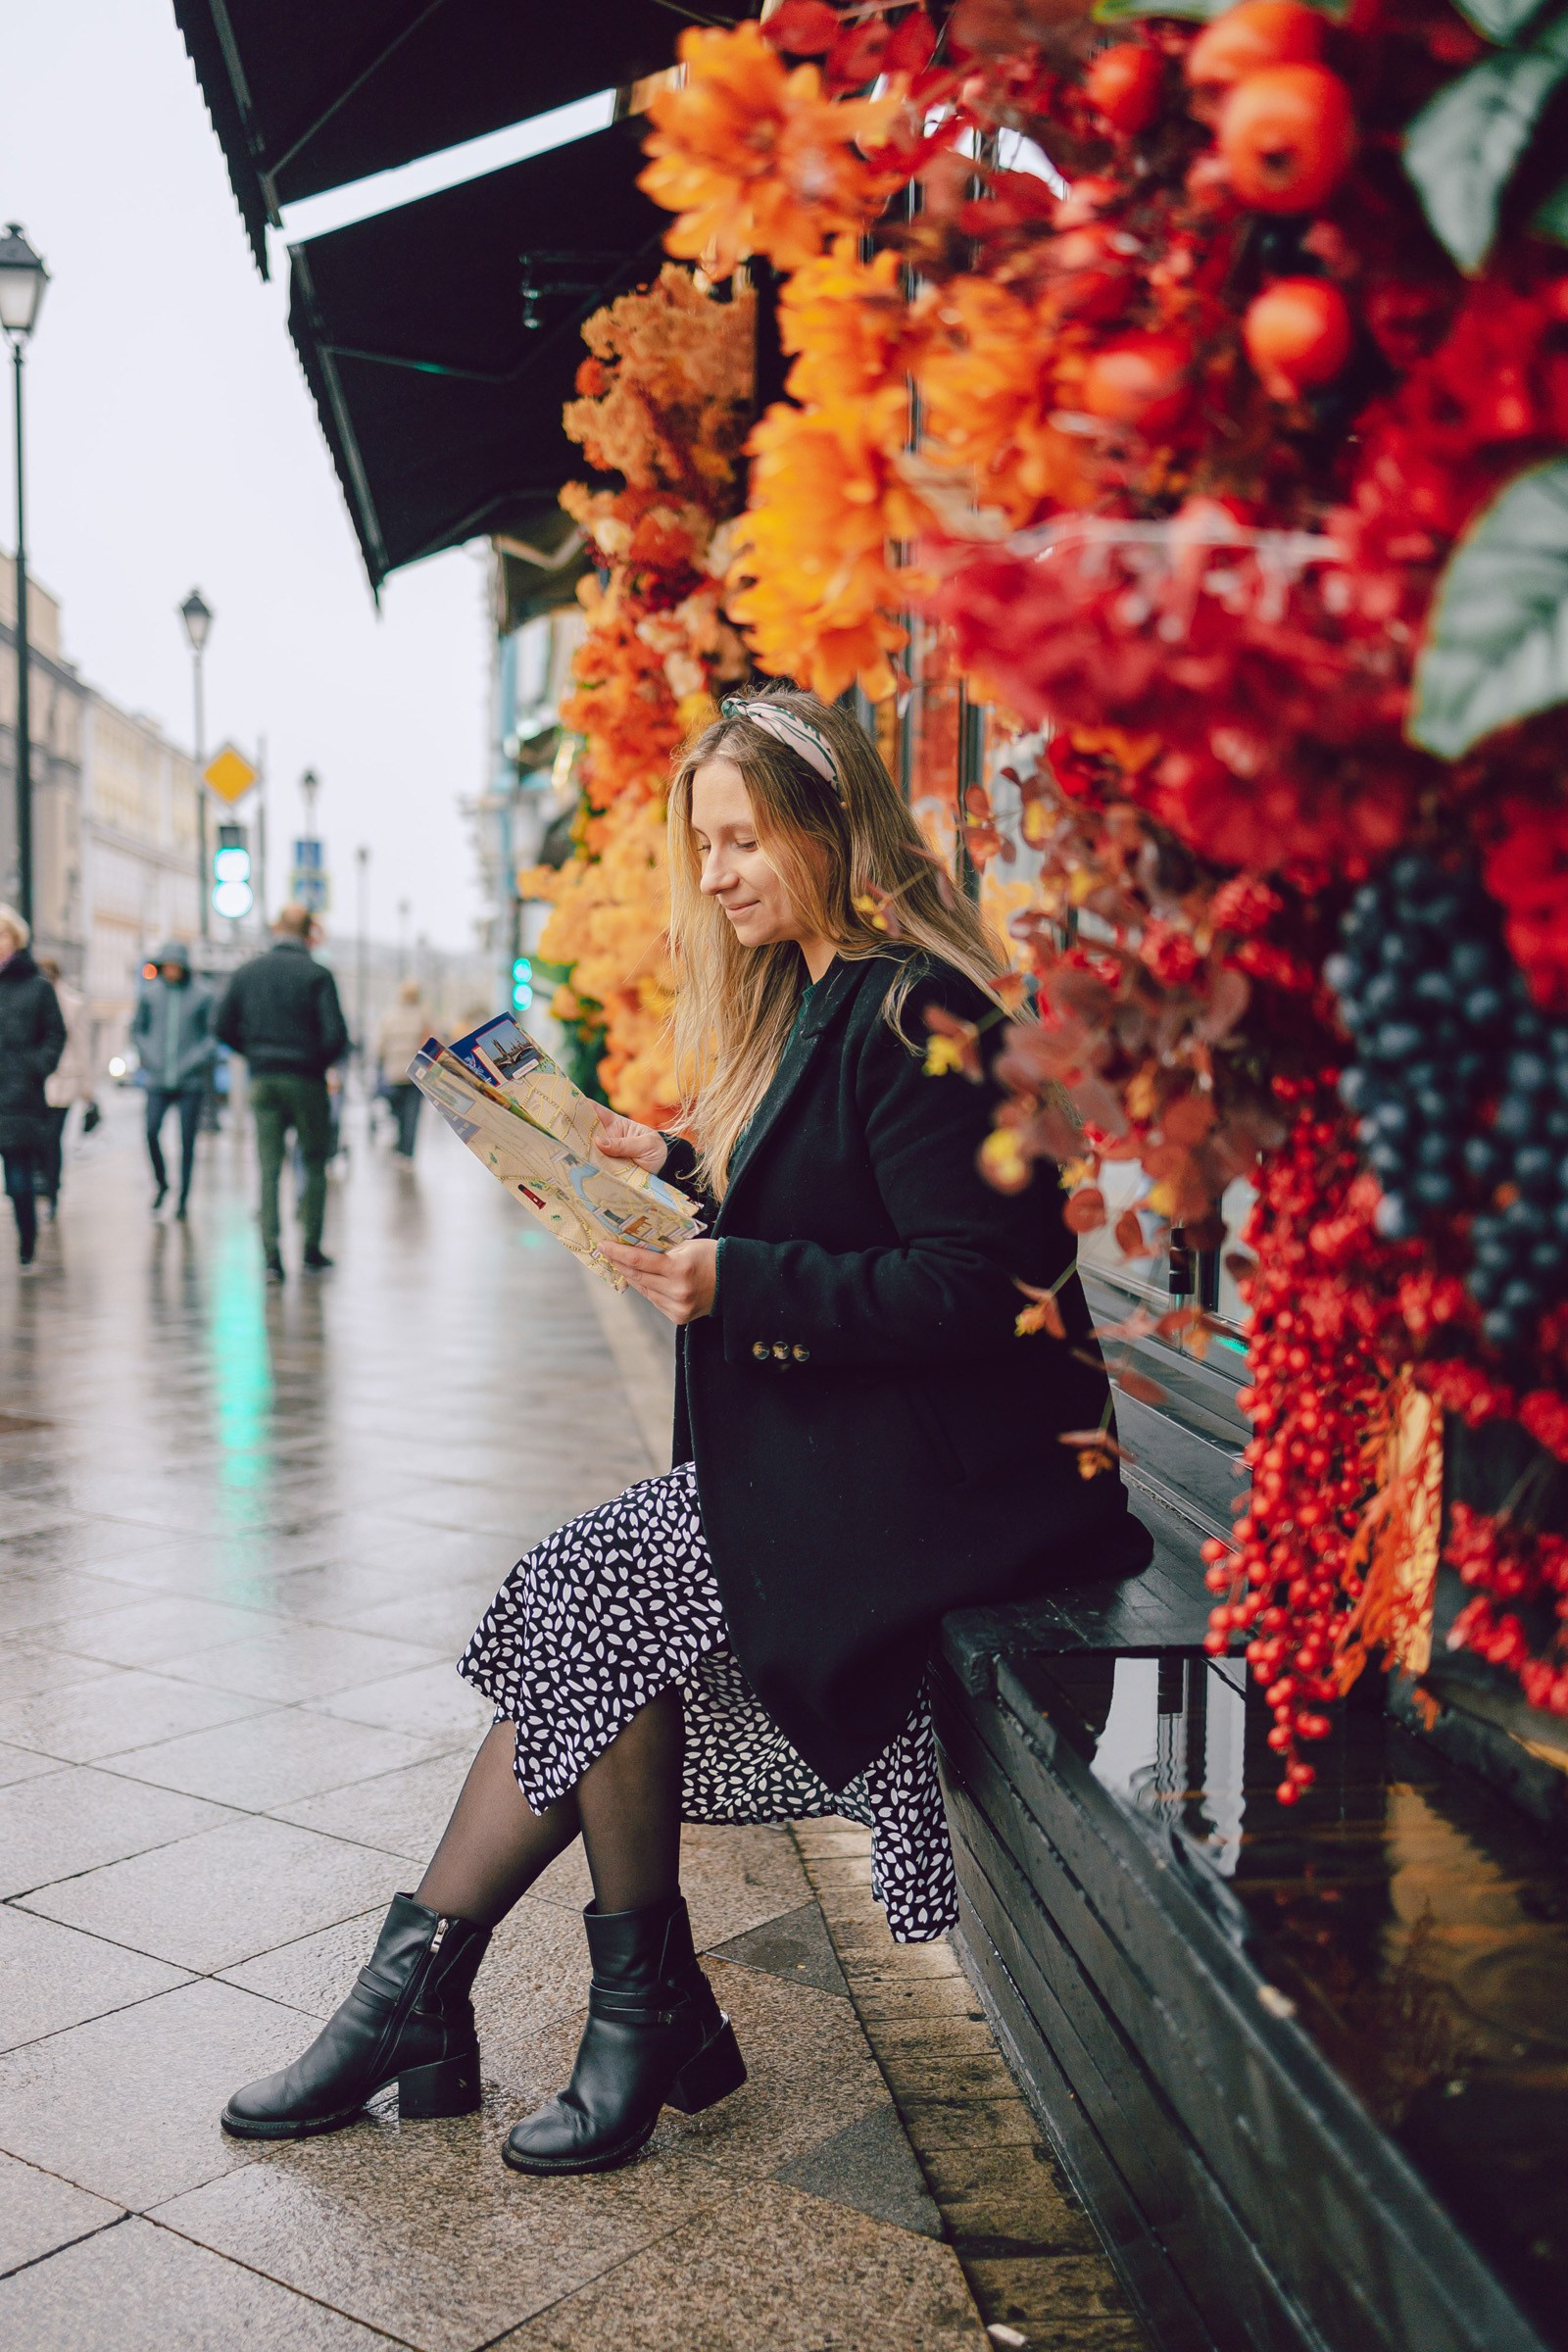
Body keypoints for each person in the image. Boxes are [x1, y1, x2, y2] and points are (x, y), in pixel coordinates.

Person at [220, 688, 1150, 2173]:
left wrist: (735, 1276)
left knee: (592, 1589)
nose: (714, 874)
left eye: (742, 840)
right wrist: (657, 1173)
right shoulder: (823, 998)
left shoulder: (927, 1010)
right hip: (871, 1453)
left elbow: (976, 1290)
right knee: (598, 1599)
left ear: (833, 823)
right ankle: (595, 2003)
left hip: (980, 1482)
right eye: (701, 845)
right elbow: (843, 1219)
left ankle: (465, 2002)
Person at [216, 905, 348, 1283]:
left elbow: (221, 1025)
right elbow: (335, 1036)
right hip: (306, 1080)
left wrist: (255, 1052)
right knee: (314, 1160)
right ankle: (310, 1248)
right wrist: (314, 1060)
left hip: (263, 1079)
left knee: (269, 1168)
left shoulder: (247, 973)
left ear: (275, 929)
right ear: (310, 934)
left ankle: (271, 1257)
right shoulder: (317, 975)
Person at [130, 943, 217, 1221]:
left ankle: (183, 1198)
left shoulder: (203, 995)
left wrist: (195, 1060)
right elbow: (137, 1030)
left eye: (175, 966)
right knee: (151, 1131)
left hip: (189, 1080)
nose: (171, 971)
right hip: (157, 1078)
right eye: (166, 966)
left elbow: (211, 1036)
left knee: (187, 1141)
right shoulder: (151, 995)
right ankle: (162, 1183)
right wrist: (148, 1055)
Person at [0, 905, 65, 1270]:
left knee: (19, 1179)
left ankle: (28, 1241)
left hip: (20, 1096)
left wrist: (36, 1067)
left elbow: (55, 1033)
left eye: (2, 935)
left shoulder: (37, 986)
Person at [36, 957, 99, 1217]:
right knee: (37, 1136)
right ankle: (43, 1182)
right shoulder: (30, 998)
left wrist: (88, 1088)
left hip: (65, 1078)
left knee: (52, 1137)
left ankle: (51, 1187)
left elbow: (82, 1045)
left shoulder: (73, 1003)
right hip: (36, 1079)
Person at [375, 977, 434, 1157]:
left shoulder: (390, 1015)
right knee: (412, 1114)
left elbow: (380, 1046)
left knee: (399, 1111)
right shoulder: (423, 1016)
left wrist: (382, 1062)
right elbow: (432, 1043)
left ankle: (400, 1145)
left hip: (394, 1072)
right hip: (416, 1071)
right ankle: (407, 1152)